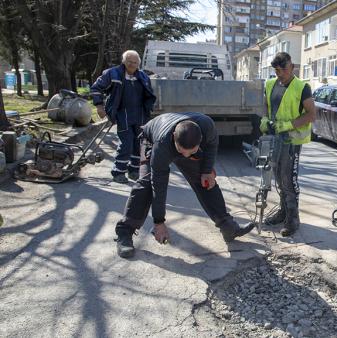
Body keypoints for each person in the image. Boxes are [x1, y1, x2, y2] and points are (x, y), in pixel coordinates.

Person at [114, 112, 254, 258]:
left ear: (200, 141)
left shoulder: (207, 126)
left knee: (205, 181)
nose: (186, 156)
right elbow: (159, 186)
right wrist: (159, 222)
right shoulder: (161, 146)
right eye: (182, 151)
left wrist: (206, 170)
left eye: (191, 152)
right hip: (153, 139)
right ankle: (124, 232)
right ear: (174, 137)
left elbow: (212, 144)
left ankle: (228, 227)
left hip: (179, 142)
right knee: (146, 185)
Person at [260, 52, 316, 236]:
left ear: (292, 66)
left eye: (284, 69)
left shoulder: (302, 87)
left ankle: (293, 218)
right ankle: (283, 211)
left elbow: (311, 114)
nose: (281, 73)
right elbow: (268, 106)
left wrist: (289, 125)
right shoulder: (270, 84)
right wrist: (265, 119)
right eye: (277, 70)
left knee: (289, 179)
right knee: (277, 176)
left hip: (292, 140)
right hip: (276, 139)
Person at [91, 50, 156, 183]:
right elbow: (96, 88)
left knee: (139, 144)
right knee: (126, 143)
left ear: (138, 63)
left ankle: (134, 170)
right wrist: (99, 106)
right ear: (124, 61)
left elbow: (149, 94)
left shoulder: (143, 76)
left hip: (140, 114)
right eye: (129, 62)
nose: (132, 65)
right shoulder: (112, 73)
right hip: (122, 114)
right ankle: (118, 172)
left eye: (135, 62)